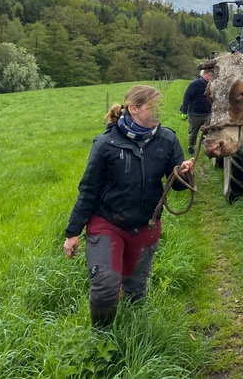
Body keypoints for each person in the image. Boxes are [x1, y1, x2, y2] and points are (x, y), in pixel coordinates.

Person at [63, 85, 194, 328]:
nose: (159, 112)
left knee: (135, 292)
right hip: (107, 222)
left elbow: (175, 187)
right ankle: (101, 338)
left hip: (146, 224)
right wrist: (72, 232)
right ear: (133, 109)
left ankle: (134, 333)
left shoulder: (167, 139)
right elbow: (88, 189)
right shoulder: (106, 144)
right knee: (105, 284)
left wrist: (184, 175)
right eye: (152, 107)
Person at [180, 69, 213, 156]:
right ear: (204, 74)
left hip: (208, 113)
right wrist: (184, 111)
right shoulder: (195, 84)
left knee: (209, 132)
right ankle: (191, 147)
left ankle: (207, 148)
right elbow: (186, 97)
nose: (211, 78)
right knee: (194, 133)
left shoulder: (213, 85)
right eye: (210, 76)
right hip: (195, 114)